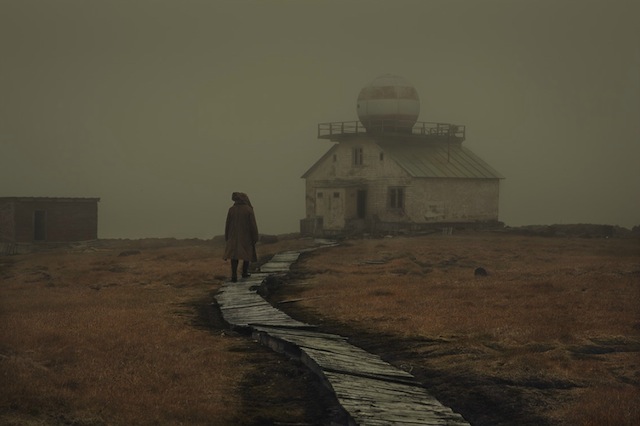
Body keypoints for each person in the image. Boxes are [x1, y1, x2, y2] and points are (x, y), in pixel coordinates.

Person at [223, 192, 259, 282]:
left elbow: (227, 224)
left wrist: (227, 236)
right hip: (246, 236)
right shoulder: (248, 210)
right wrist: (255, 236)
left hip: (233, 236)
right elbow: (253, 225)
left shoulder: (231, 209)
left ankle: (234, 275)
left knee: (234, 255)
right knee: (246, 254)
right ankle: (244, 272)